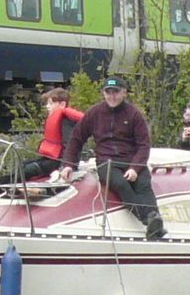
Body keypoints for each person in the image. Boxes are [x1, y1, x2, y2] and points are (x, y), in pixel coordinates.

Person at [61, 75, 166, 239]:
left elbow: (144, 145)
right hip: (106, 161)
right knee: (121, 184)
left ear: (124, 92)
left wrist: (135, 168)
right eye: (108, 92)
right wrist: (68, 164)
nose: (112, 96)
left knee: (143, 184)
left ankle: (156, 219)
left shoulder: (134, 114)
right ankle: (149, 220)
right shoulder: (94, 113)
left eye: (116, 92)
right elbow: (76, 139)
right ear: (103, 93)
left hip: (131, 159)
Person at [20, 88, 83, 181]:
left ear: (62, 104)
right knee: (23, 165)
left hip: (59, 162)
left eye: (51, 103)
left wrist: (66, 166)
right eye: (47, 104)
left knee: (28, 170)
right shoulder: (59, 119)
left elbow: (70, 145)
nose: (47, 107)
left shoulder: (66, 122)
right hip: (53, 159)